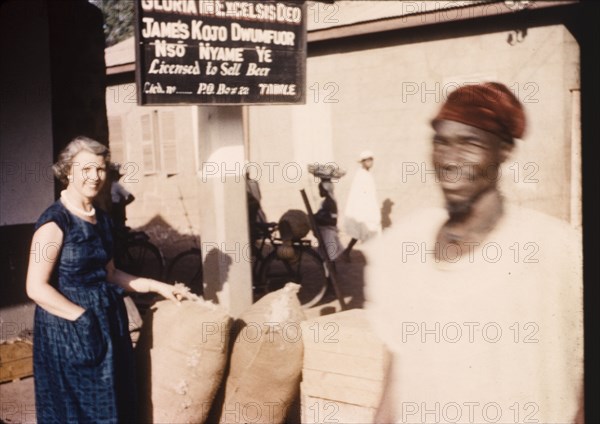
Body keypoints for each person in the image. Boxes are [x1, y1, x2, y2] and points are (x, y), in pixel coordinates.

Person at [364, 82, 583, 423]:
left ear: (505, 151)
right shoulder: (404, 248)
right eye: (441, 142)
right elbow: (396, 379)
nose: (450, 160)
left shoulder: (553, 250)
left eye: (470, 143)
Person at [25, 136, 190, 423]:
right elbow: (35, 287)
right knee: (77, 409)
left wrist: (157, 286)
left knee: (113, 402)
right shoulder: (54, 222)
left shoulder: (101, 220)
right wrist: (83, 318)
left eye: (100, 169)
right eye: (86, 169)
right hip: (68, 329)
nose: (95, 177)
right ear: (68, 171)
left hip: (108, 322)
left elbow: (111, 274)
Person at [342, 150, 381, 261]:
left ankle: (349, 252)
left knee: (368, 231)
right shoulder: (361, 175)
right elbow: (359, 194)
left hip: (369, 207)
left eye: (371, 160)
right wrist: (365, 209)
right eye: (367, 160)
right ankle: (349, 252)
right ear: (362, 162)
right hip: (363, 208)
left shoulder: (367, 174)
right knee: (364, 230)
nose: (370, 162)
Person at [314, 178, 344, 261]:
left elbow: (333, 222)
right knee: (326, 256)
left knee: (329, 257)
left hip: (328, 233)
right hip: (324, 232)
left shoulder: (331, 203)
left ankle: (331, 273)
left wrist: (319, 218)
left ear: (326, 190)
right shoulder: (324, 202)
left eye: (321, 190)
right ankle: (329, 273)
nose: (319, 192)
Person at [109, 162, 135, 230]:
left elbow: (131, 197)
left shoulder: (116, 185)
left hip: (117, 214)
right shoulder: (107, 186)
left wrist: (120, 205)